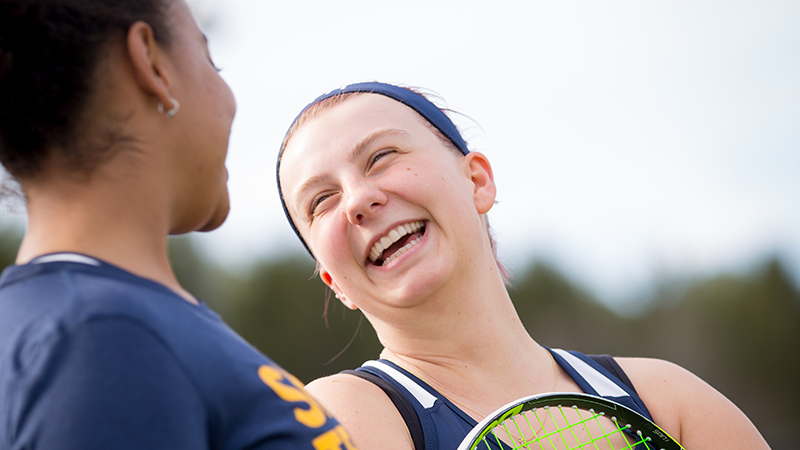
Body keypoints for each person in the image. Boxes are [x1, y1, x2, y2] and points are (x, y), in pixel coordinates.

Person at [276, 82, 769, 450]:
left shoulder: (667, 399)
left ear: (478, 181)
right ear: (333, 280)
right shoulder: (340, 415)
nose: (359, 199)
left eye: (382, 156)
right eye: (321, 200)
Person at [0, 1, 355, 449]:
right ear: (152, 64)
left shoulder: (86, 324)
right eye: (211, 60)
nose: (229, 99)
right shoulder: (104, 338)